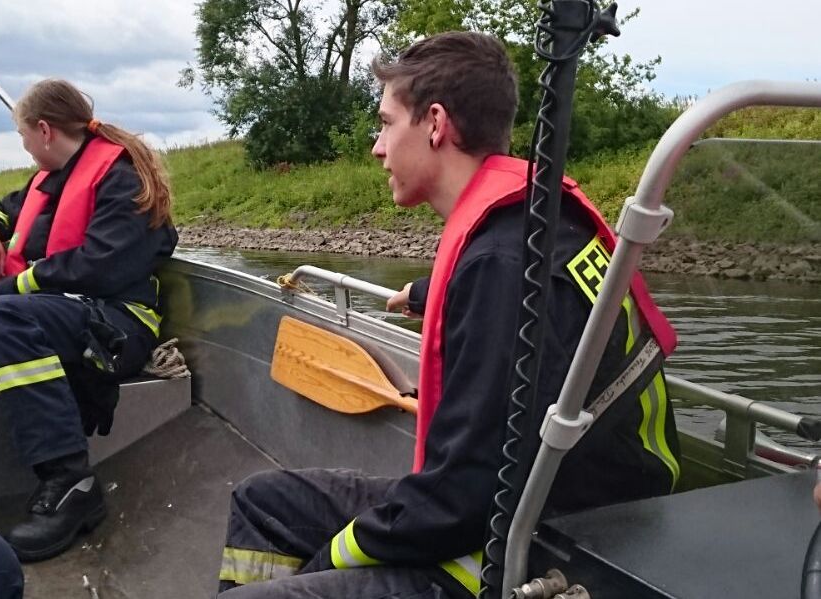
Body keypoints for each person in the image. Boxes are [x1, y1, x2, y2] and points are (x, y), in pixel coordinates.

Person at [212, 31, 680, 598]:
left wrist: (329, 560)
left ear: (435, 124)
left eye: (386, 124)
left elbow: (461, 498)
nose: (377, 148)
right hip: (555, 504)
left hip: (536, 544)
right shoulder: (535, 229)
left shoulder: (503, 265)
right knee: (262, 501)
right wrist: (425, 291)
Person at [0, 78, 177, 563]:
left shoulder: (122, 179)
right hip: (49, 317)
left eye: (22, 136)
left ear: (43, 131)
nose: (23, 146)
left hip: (117, 325)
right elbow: (7, 206)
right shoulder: (51, 177)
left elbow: (99, 268)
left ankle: (70, 482)